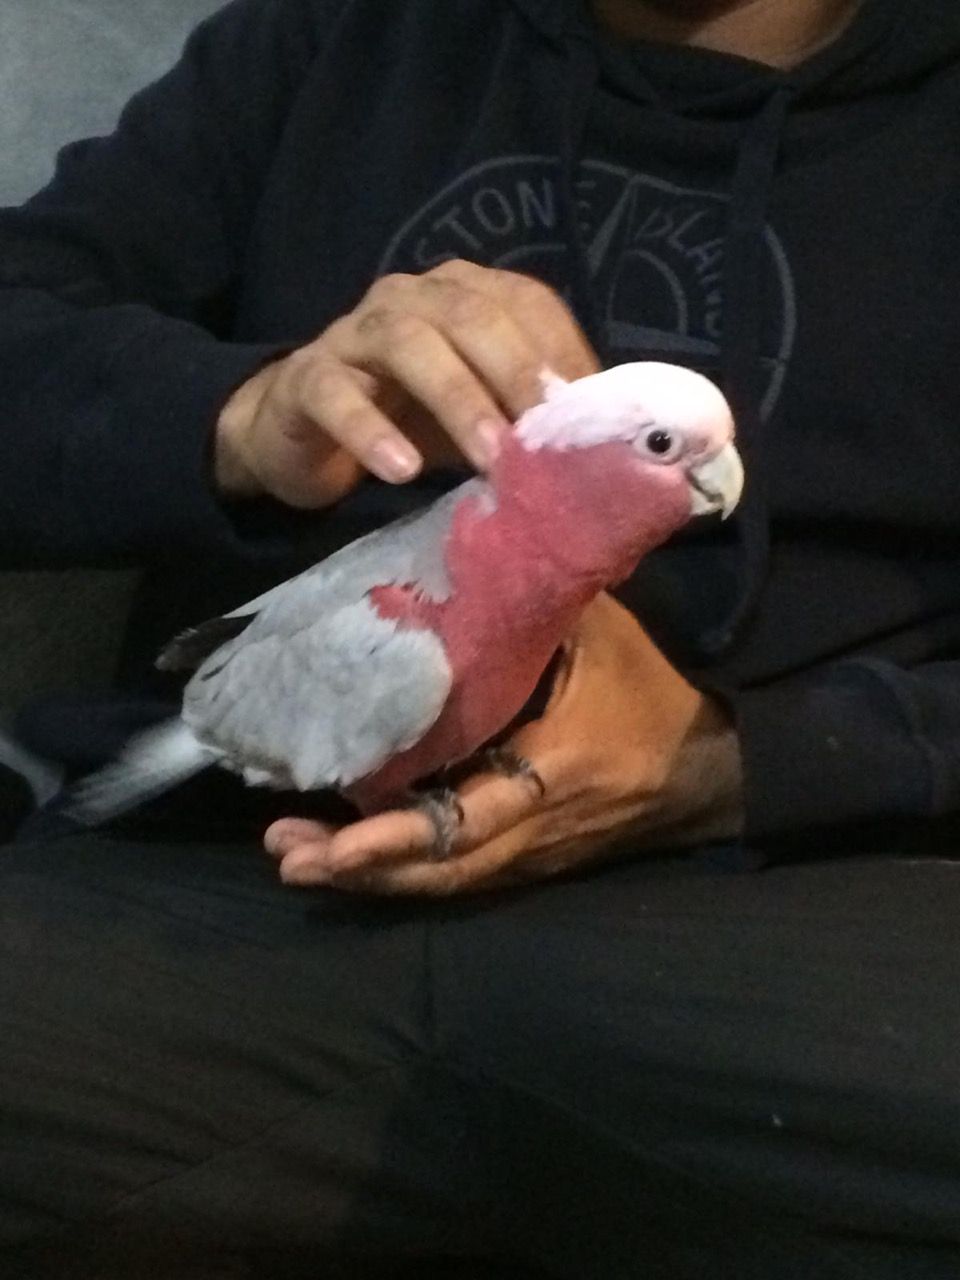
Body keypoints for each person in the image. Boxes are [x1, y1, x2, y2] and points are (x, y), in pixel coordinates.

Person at [3, 0, 960, 1273]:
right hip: (212, 896)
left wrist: (738, 762)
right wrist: (238, 416)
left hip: (805, 926)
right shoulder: (333, 40)